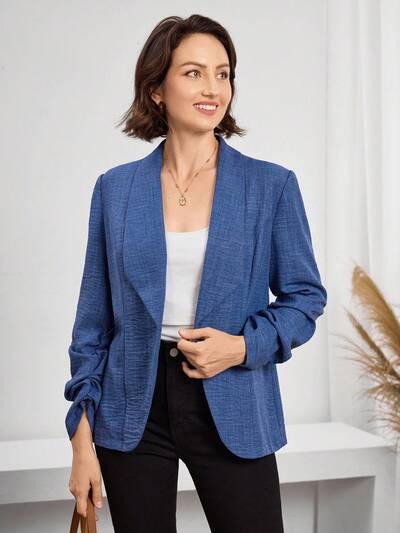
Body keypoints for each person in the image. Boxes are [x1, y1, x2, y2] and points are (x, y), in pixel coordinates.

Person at [65, 14, 327, 533]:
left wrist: (241, 347)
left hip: (234, 398)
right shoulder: (115, 190)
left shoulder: (270, 186)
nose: (213, 88)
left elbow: (305, 297)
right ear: (156, 89)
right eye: (193, 73)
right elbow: (93, 324)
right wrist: (81, 438)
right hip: (131, 409)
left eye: (222, 74)